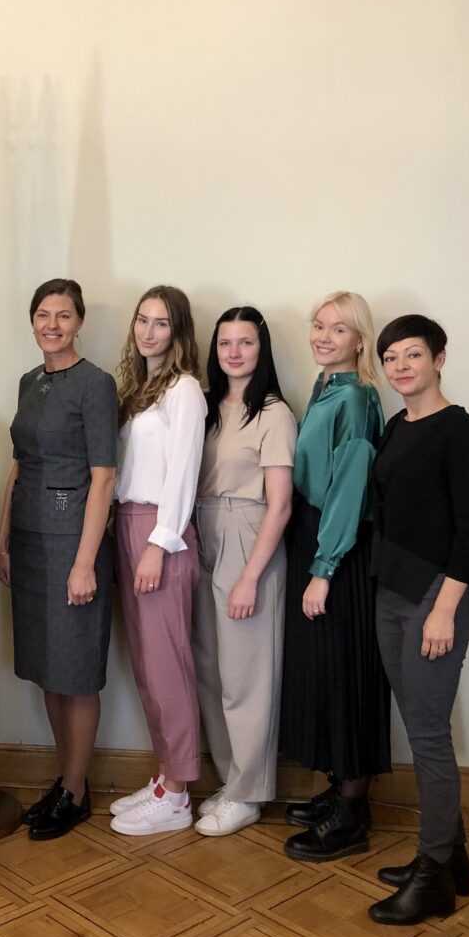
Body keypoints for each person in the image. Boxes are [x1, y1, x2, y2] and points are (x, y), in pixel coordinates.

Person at [367, 315, 469, 924]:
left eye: (412, 355)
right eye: (391, 358)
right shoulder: (396, 427)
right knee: (419, 726)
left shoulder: (462, 433)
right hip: (392, 593)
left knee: (428, 736)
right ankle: (455, 860)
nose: (400, 367)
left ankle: (433, 873)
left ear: (439, 358)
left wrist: (445, 609)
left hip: (436, 600)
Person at [0, 278, 117, 841]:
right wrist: (1, 538)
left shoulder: (96, 384)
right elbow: (18, 464)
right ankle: (65, 779)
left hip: (72, 537)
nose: (52, 325)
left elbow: (104, 476)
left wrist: (85, 560)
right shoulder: (29, 381)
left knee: (76, 671)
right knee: (47, 665)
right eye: (42, 314)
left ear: (78, 322)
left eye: (63, 315)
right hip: (28, 536)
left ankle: (76, 788)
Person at [280, 291, 390, 862]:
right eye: (318, 325)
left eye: (338, 330)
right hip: (315, 535)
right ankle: (339, 792)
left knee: (347, 671)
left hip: (338, 548)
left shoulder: (359, 398)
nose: (323, 336)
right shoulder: (326, 388)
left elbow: (349, 487)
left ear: (359, 340)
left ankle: (352, 812)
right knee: (323, 670)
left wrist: (324, 570)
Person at [191, 307, 296, 836]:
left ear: (262, 349)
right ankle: (231, 781)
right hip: (203, 529)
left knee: (245, 675)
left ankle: (251, 791)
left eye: (246, 343)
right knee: (210, 670)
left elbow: (280, 505)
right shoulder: (207, 407)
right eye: (225, 342)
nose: (234, 352)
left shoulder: (274, 413)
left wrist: (251, 576)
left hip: (248, 534)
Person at [108, 286, 206, 836]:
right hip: (128, 522)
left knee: (168, 666)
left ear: (178, 331)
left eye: (161, 323)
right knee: (145, 663)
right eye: (142, 320)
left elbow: (184, 471)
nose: (148, 331)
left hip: (159, 532)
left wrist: (158, 542)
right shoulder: (141, 389)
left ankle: (179, 792)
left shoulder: (185, 390)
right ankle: (165, 774)